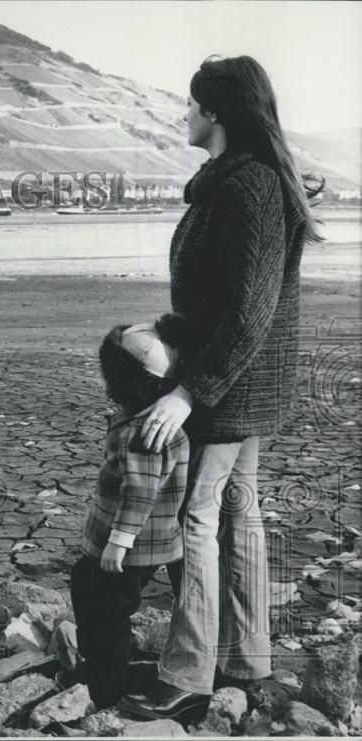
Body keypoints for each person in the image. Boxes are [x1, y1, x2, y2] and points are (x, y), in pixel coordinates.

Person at [119, 55, 324, 720]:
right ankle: (246, 659)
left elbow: (247, 314)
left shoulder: (249, 188)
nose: (183, 114)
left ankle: (187, 672)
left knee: (198, 518)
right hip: (241, 380)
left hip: (231, 386)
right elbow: (222, 298)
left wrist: (186, 393)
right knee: (239, 509)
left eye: (190, 104)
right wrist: (170, 325)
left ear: (216, 112)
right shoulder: (243, 184)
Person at [65, 314, 190, 710]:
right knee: (84, 587)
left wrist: (119, 542)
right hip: (121, 538)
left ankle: (106, 686)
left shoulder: (145, 431)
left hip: (133, 544)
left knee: (111, 610)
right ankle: (98, 664)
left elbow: (140, 491)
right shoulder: (138, 416)